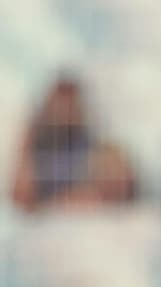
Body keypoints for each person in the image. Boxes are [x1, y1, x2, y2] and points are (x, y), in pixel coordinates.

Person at [10, 75, 139, 212]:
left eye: (70, 102)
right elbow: (20, 197)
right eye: (60, 102)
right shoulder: (36, 146)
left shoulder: (96, 145)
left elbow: (119, 187)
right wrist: (26, 144)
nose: (65, 109)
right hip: (48, 221)